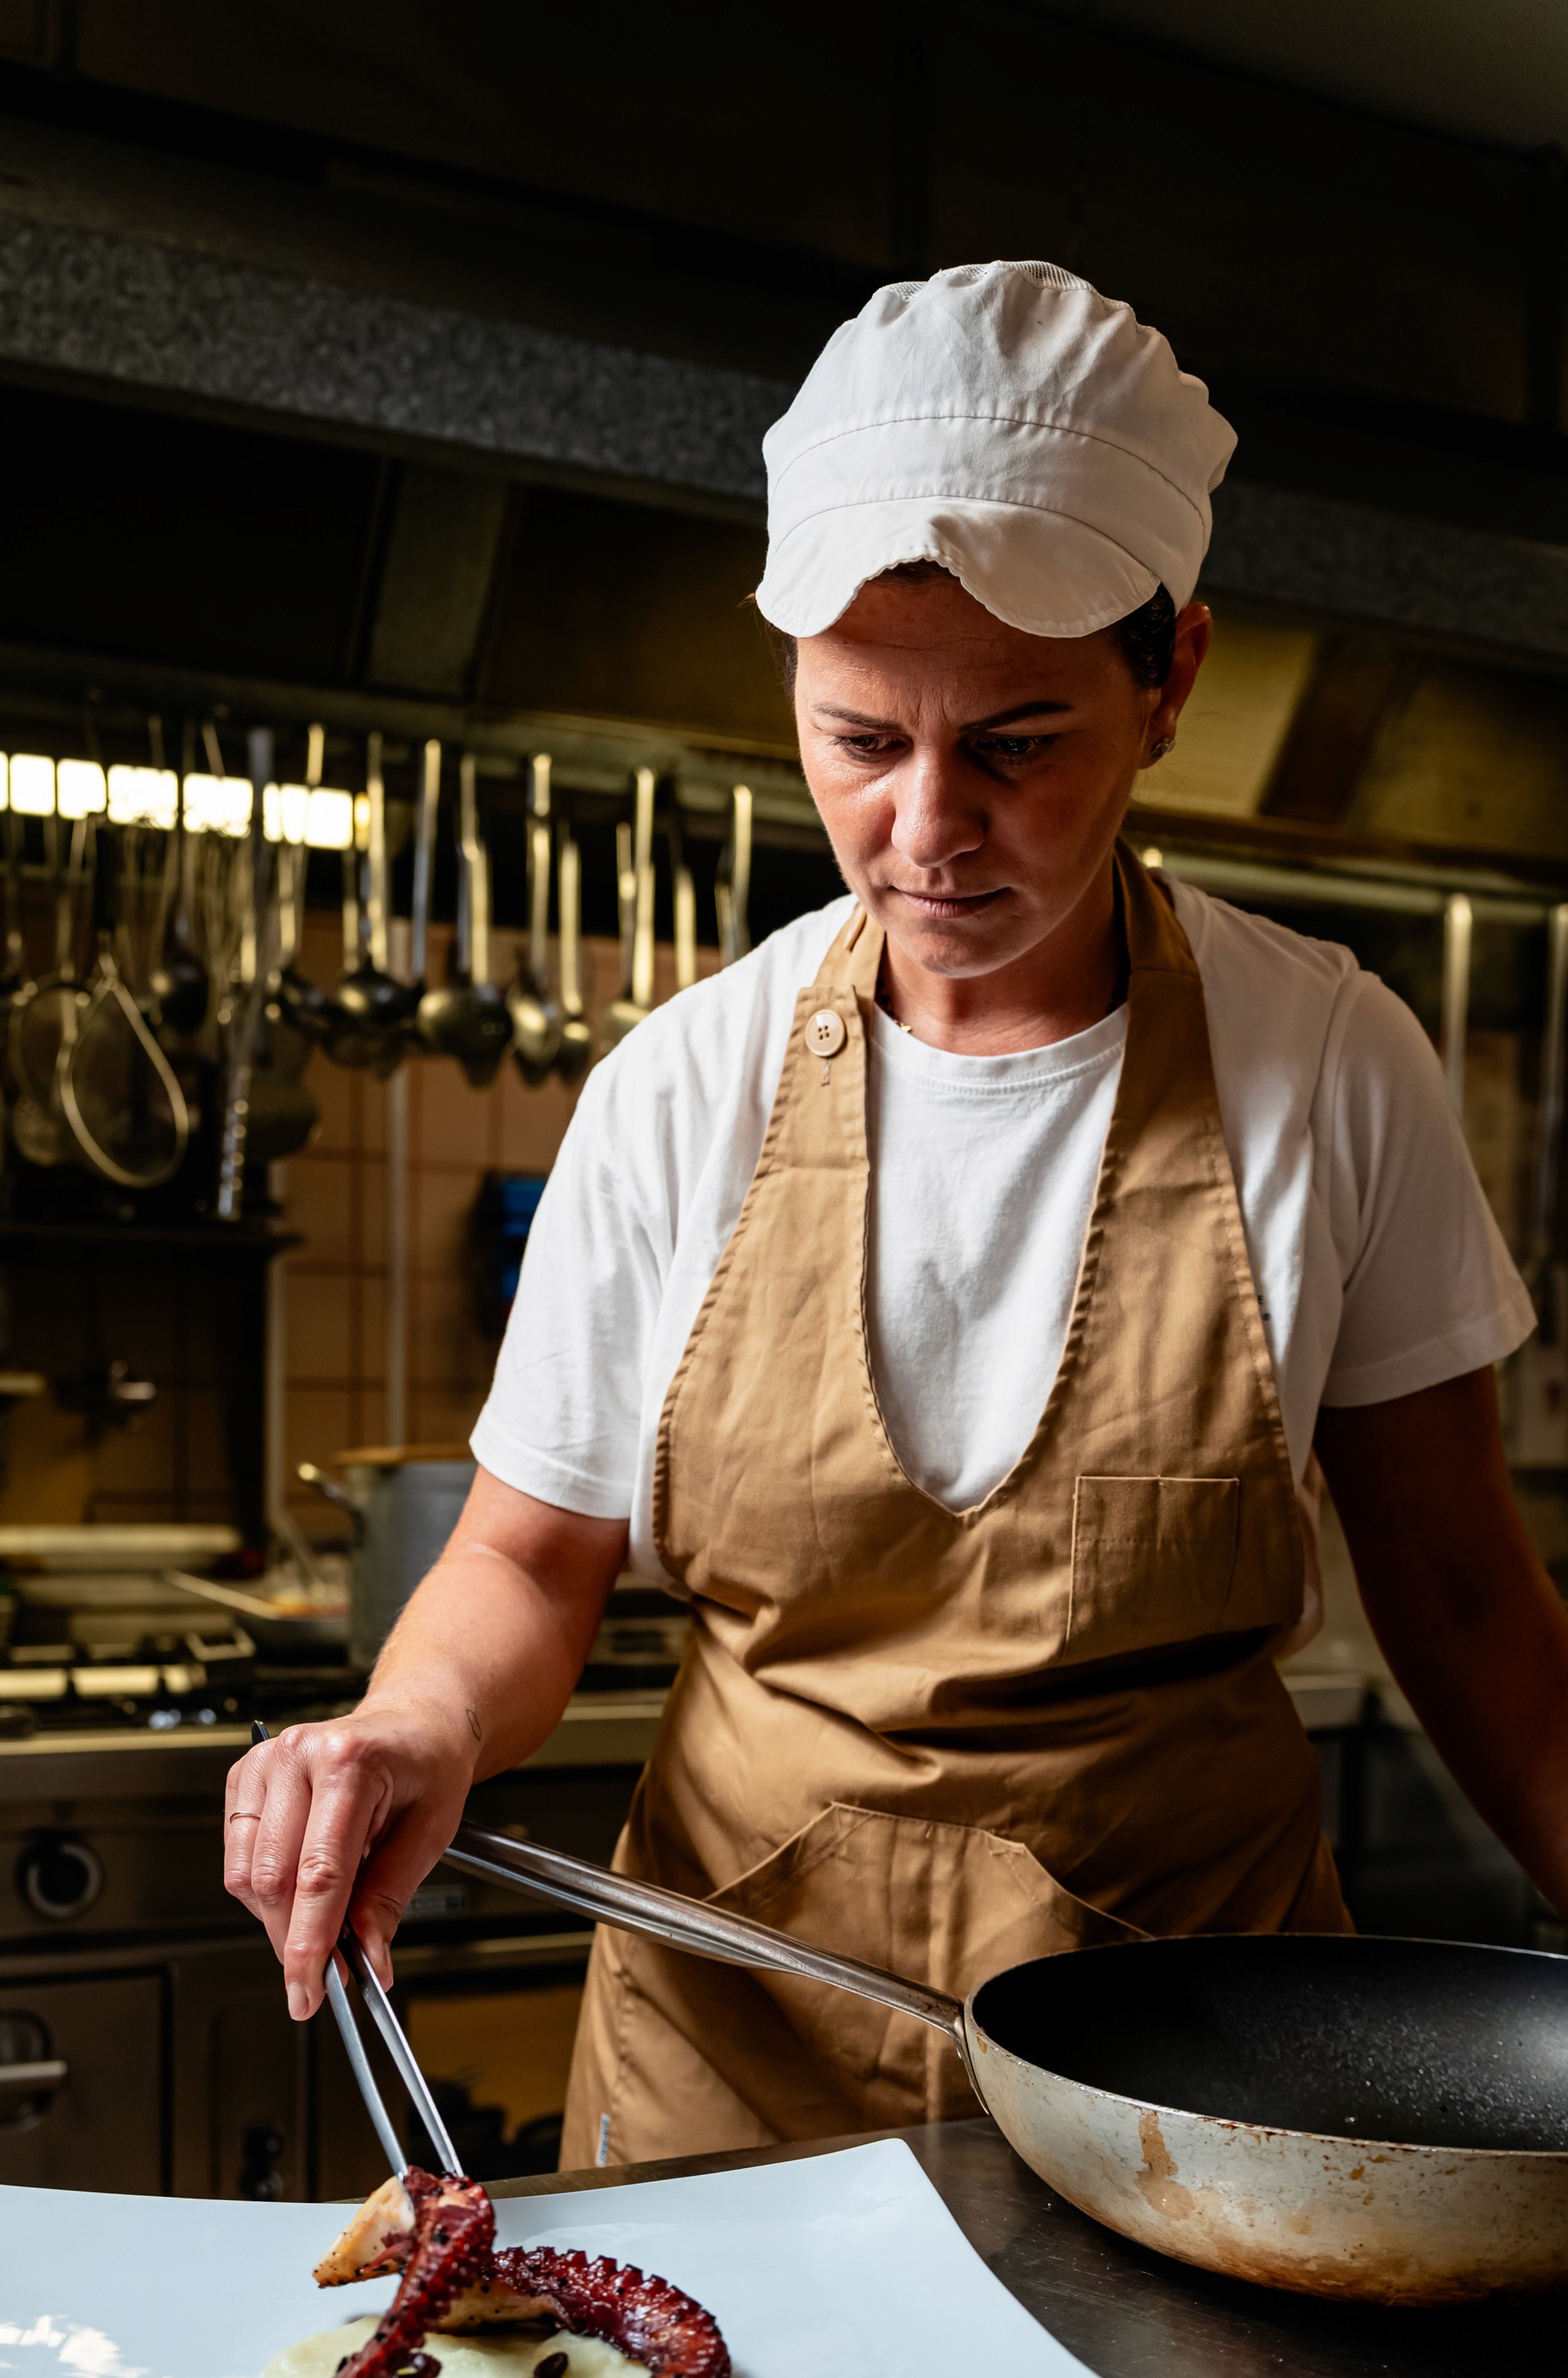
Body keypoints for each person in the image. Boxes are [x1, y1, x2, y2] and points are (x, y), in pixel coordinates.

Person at [225, 260, 1568, 2168]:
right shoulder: (680, 1087)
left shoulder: (1332, 1065)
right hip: (737, 2041)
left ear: (1169, 681)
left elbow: (1464, 1597)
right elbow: (526, 1561)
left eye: (1015, 743)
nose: (926, 831)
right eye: (861, 740)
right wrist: (415, 1725)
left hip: (1188, 2062)